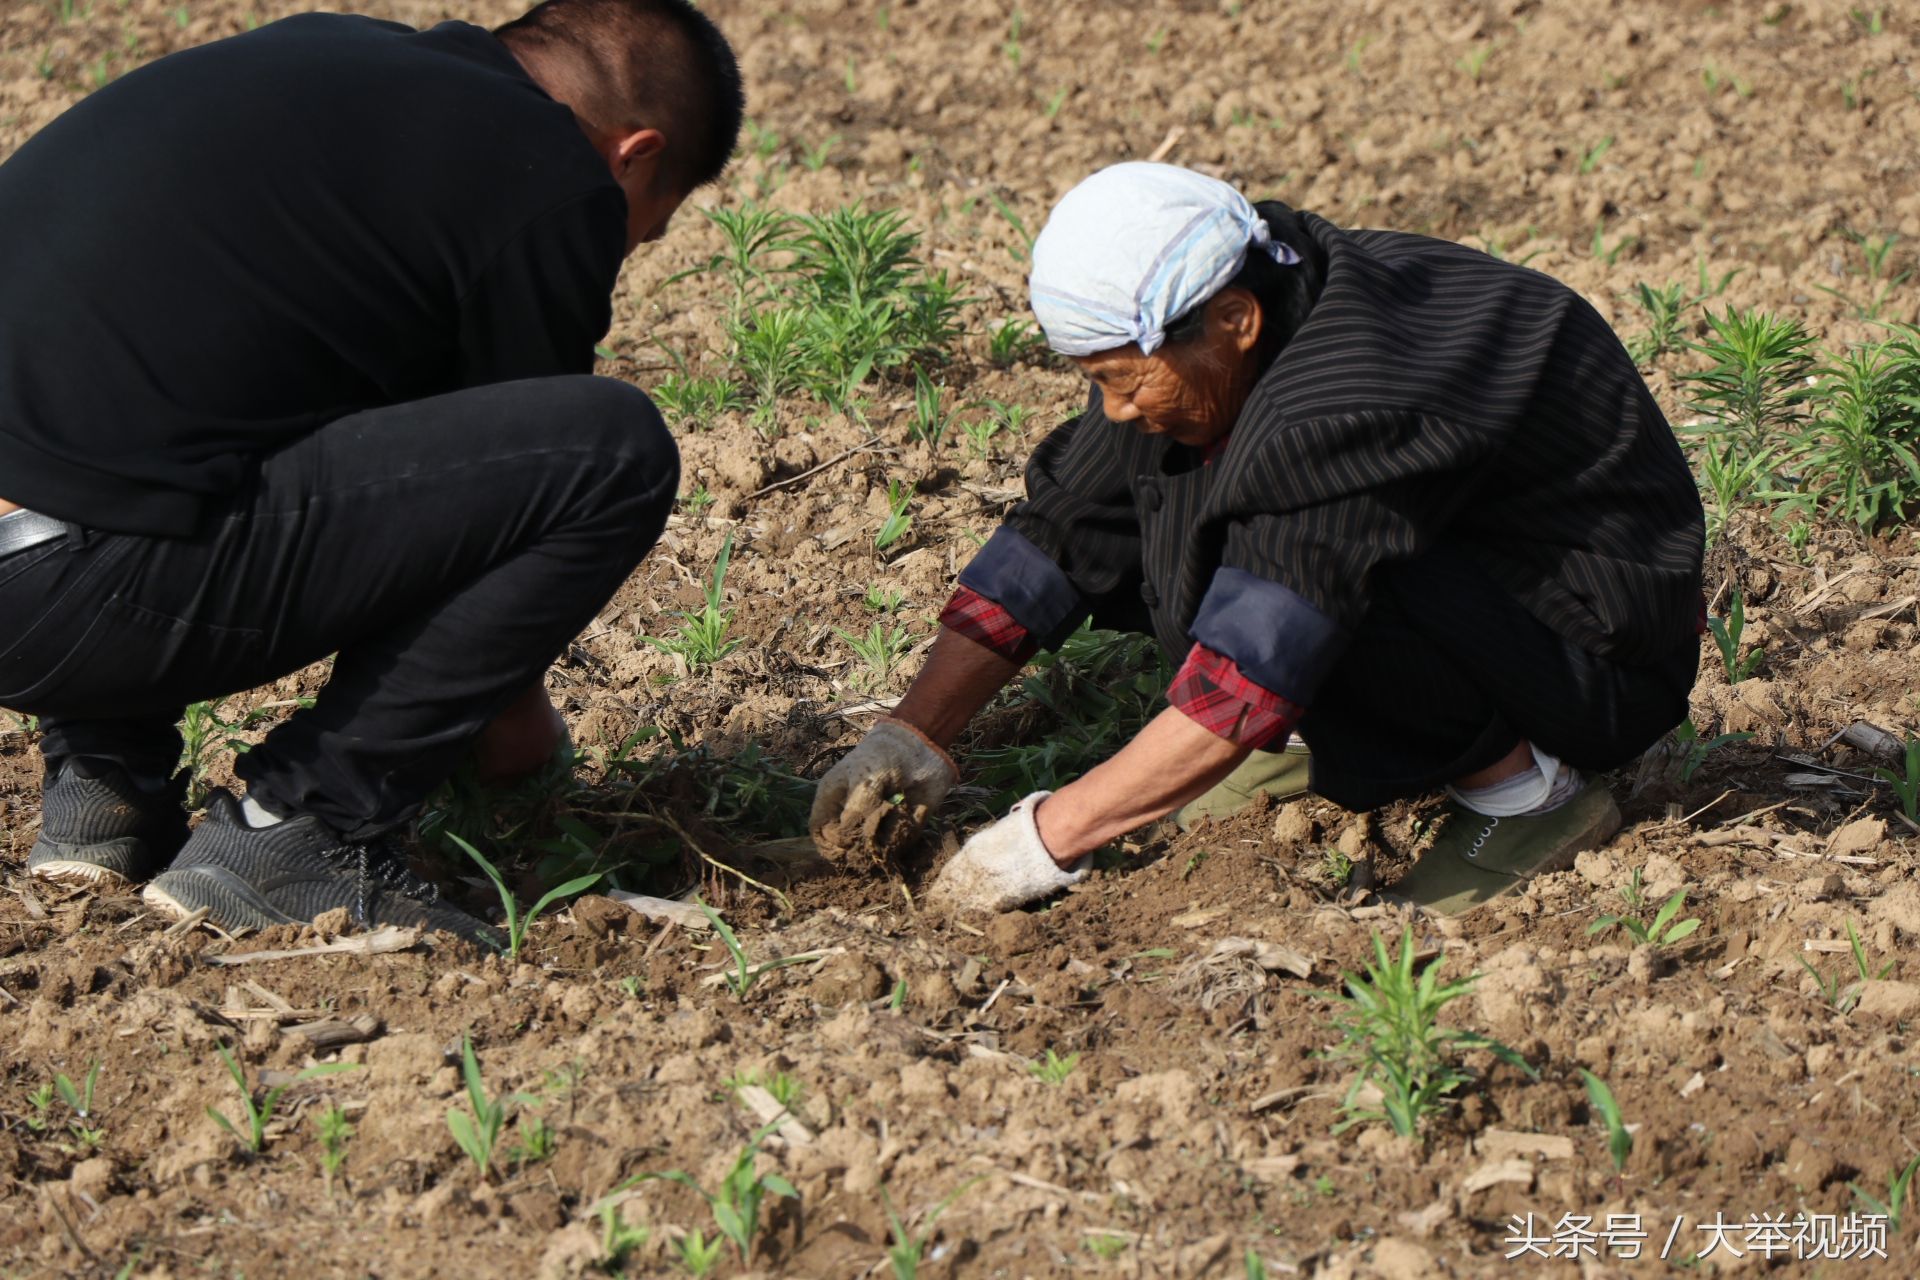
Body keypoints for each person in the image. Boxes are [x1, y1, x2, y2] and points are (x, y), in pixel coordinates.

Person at [0, 0, 743, 946]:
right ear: (635, 153)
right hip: (64, 591)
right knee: (612, 454)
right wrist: (514, 739)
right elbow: (518, 496)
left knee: (204, 385)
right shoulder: (549, 171)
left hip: (47, 573)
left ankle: (105, 792)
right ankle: (301, 828)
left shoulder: (324, 54)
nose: (623, 249)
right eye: (647, 228)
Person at [811, 162, 1704, 917]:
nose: (1113, 406)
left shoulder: (1342, 406)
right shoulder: (1224, 312)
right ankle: (1323, 743)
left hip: (1590, 646)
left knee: (1298, 592)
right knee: (1167, 496)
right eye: (1097, 380)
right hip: (1481, 558)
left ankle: (1525, 796)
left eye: (1122, 380)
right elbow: (1061, 528)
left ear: (1235, 320)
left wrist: (1045, 841)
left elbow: (1261, 656)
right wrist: (913, 736)